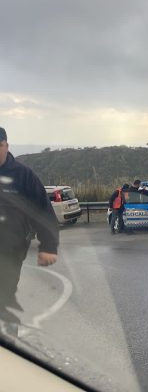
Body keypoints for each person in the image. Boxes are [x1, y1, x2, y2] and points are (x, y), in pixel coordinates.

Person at [0, 127, 59, 331]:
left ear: (6, 146)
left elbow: (43, 210)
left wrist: (48, 246)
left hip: (10, 251)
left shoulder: (24, 175)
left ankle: (10, 343)